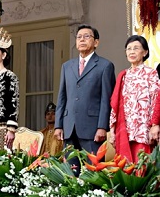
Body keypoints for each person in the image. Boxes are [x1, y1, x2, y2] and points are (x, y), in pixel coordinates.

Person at [54, 25, 115, 167]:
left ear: (96, 42)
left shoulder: (105, 66)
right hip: (69, 127)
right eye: (79, 37)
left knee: (92, 171)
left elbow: (107, 99)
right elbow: (62, 97)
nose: (82, 39)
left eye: (87, 36)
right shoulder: (67, 66)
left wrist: (102, 127)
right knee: (70, 171)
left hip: (92, 128)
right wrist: (58, 125)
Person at [110, 35, 160, 163]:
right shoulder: (123, 75)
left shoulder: (151, 73)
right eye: (129, 49)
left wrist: (155, 125)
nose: (131, 51)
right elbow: (115, 105)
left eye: (136, 48)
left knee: (143, 165)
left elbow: (156, 100)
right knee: (125, 166)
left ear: (145, 52)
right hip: (125, 129)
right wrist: (112, 130)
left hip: (144, 128)